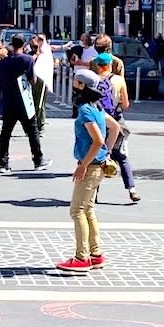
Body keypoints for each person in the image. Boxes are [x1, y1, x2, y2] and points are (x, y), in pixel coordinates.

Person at [55, 69, 121, 273]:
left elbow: (97, 140)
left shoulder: (85, 110)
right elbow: (116, 128)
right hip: (98, 165)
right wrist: (106, 153)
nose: (72, 84)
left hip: (90, 166)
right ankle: (95, 254)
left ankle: (81, 257)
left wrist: (83, 164)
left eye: (75, 81)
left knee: (77, 211)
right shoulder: (97, 107)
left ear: (82, 86)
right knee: (88, 209)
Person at [0, 34, 52, 173]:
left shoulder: (5, 61)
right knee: (32, 132)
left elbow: (0, 80)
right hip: (24, 100)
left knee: (5, 133)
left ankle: (3, 162)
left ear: (12, 44)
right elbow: (33, 80)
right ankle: (38, 160)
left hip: (9, 100)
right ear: (23, 44)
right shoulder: (27, 59)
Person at [93, 52, 140, 203]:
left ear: (97, 66)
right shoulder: (119, 80)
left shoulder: (92, 81)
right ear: (110, 65)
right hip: (117, 121)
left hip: (98, 122)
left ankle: (94, 192)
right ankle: (132, 189)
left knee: (98, 157)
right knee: (122, 156)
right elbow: (125, 104)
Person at [32, 33, 54, 137]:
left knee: (39, 104)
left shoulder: (45, 51)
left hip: (41, 80)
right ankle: (33, 126)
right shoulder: (34, 51)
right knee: (32, 103)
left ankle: (40, 126)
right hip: (32, 80)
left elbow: (44, 67)